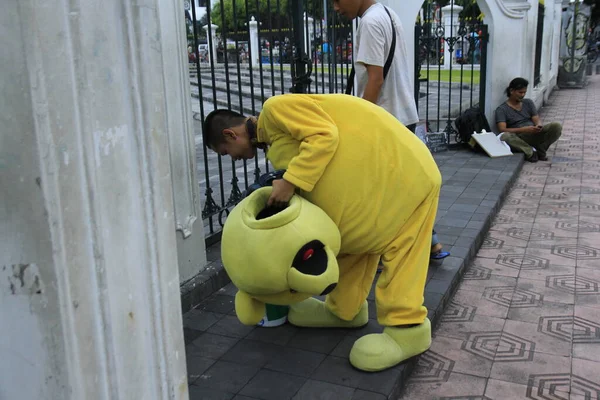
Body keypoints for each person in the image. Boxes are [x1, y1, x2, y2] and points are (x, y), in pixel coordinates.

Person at [203, 93, 441, 372]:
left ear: (231, 135)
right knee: (350, 248)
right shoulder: (273, 140)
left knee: (402, 250)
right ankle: (344, 310)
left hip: (407, 183)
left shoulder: (276, 109)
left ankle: (407, 329)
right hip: (366, 202)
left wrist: (290, 181)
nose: (231, 159)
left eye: (225, 152)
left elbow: (324, 135)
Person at [335, 0, 449, 259]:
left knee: (378, 191)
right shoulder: (388, 14)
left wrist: (360, 123)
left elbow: (375, 78)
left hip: (385, 120)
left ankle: (378, 252)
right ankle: (430, 242)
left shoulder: (370, 22)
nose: (336, 8)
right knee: (403, 186)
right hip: (402, 114)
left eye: (337, 0)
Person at [495, 77, 562, 162]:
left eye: (524, 92)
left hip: (533, 132)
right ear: (511, 91)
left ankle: (541, 149)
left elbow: (536, 118)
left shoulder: (528, 102)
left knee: (556, 126)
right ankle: (530, 152)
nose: (522, 95)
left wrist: (538, 125)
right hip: (518, 137)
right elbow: (502, 129)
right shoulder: (502, 109)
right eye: (520, 92)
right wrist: (524, 129)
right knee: (505, 136)